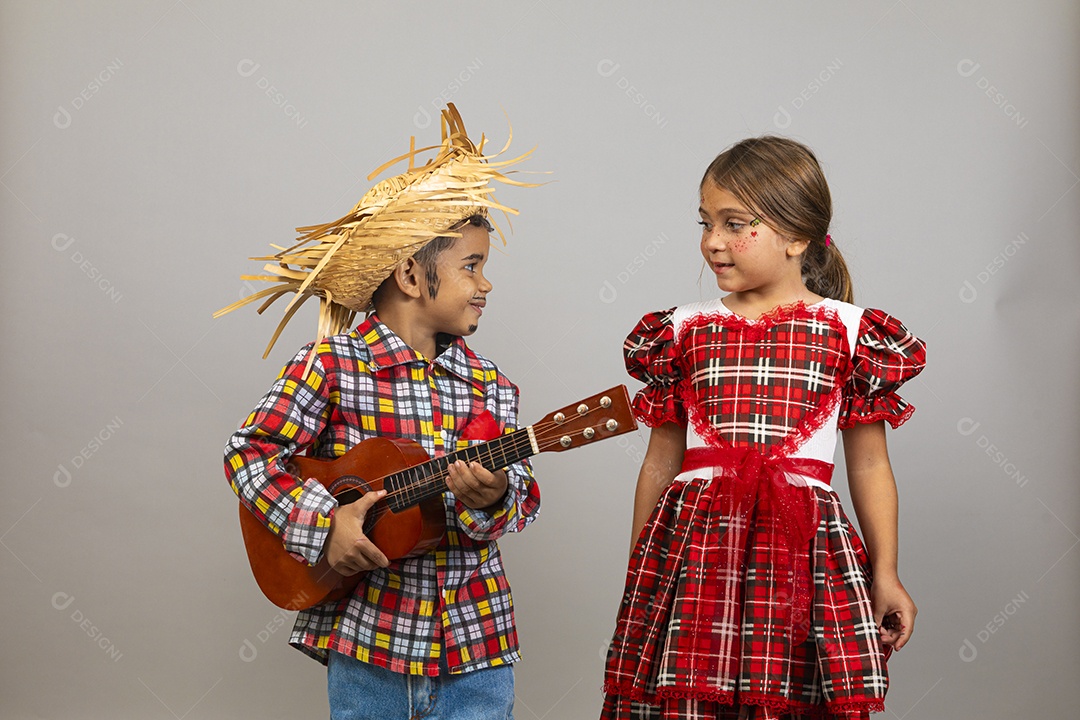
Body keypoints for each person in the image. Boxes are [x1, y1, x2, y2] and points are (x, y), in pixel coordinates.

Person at [219, 105, 541, 720]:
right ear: (411, 275)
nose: (486, 284)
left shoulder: (491, 385)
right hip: (371, 640)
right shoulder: (333, 363)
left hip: (478, 639)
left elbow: (521, 501)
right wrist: (323, 524)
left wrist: (492, 496)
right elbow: (249, 453)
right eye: (471, 266)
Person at [601, 136, 926, 720]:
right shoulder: (681, 331)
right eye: (705, 223)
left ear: (798, 236)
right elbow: (659, 461)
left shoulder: (852, 334)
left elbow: (870, 465)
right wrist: (640, 567)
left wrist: (886, 573)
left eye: (734, 223)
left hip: (803, 553)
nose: (712, 242)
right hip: (696, 552)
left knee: (791, 694)